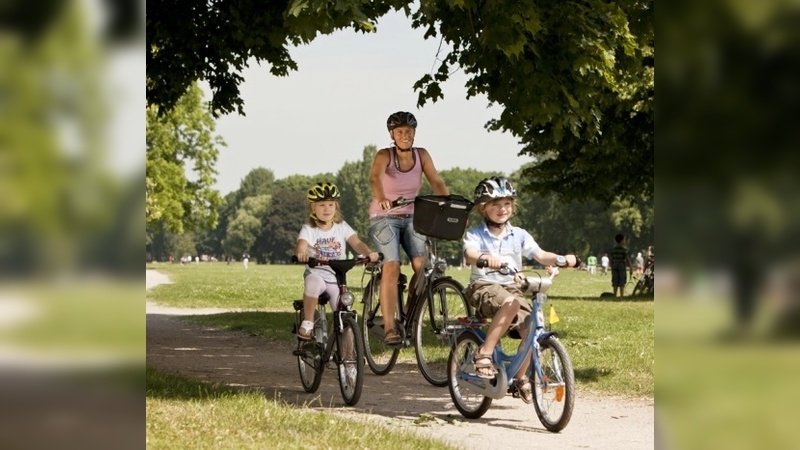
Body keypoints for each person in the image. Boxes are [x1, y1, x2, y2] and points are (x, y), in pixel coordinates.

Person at [462, 177, 580, 404]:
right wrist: (485, 258)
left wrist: (562, 259)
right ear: (483, 208)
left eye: (507, 204)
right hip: (484, 286)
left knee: (534, 323)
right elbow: (470, 254)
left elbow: (540, 254)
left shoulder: (519, 234)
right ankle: (484, 353)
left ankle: (519, 375)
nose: (502, 209)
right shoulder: (476, 234)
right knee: (511, 303)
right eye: (495, 204)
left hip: (511, 289)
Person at [368, 111, 449, 345]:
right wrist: (382, 197)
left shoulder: (421, 155)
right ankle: (390, 328)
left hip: (412, 216)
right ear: (392, 134)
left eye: (409, 131)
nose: (405, 135)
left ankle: (409, 309)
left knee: (423, 267)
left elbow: (436, 180)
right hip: (384, 217)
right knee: (391, 265)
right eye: (400, 132)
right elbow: (375, 178)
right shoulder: (385, 155)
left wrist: (447, 202)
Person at [294, 182, 380, 341]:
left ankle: (348, 362)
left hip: (336, 277)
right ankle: (308, 321)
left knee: (345, 317)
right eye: (322, 205)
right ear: (313, 208)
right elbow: (301, 246)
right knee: (312, 282)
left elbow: (357, 243)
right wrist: (301, 254)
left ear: (336, 207)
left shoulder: (342, 227)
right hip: (317, 272)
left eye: (330, 205)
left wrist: (368, 253)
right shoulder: (309, 229)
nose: (327, 209)